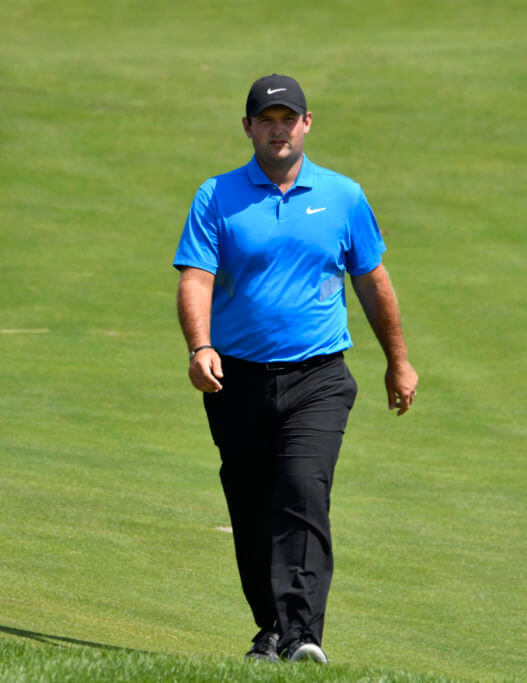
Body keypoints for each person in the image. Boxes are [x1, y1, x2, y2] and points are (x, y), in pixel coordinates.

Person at [173, 74, 417, 663]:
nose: (278, 129)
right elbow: (196, 278)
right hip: (237, 378)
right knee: (251, 502)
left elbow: (372, 280)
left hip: (319, 377)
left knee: (303, 492)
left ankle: (303, 633)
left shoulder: (343, 195)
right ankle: (272, 629)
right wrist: (200, 346)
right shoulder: (217, 195)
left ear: (307, 123)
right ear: (248, 127)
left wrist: (398, 360)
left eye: (289, 118)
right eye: (267, 119)